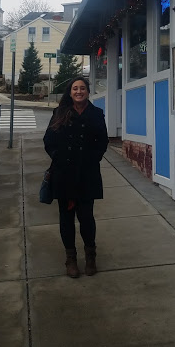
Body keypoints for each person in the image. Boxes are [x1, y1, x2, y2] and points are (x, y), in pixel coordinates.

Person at [43, 76, 108, 277]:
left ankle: (90, 256)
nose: (79, 91)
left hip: (87, 173)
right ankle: (70, 259)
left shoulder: (96, 114)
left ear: (88, 92)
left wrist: (92, 159)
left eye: (82, 88)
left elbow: (102, 141)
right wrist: (59, 158)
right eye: (75, 89)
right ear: (70, 93)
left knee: (87, 217)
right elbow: (49, 140)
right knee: (66, 218)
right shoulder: (60, 112)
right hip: (64, 173)